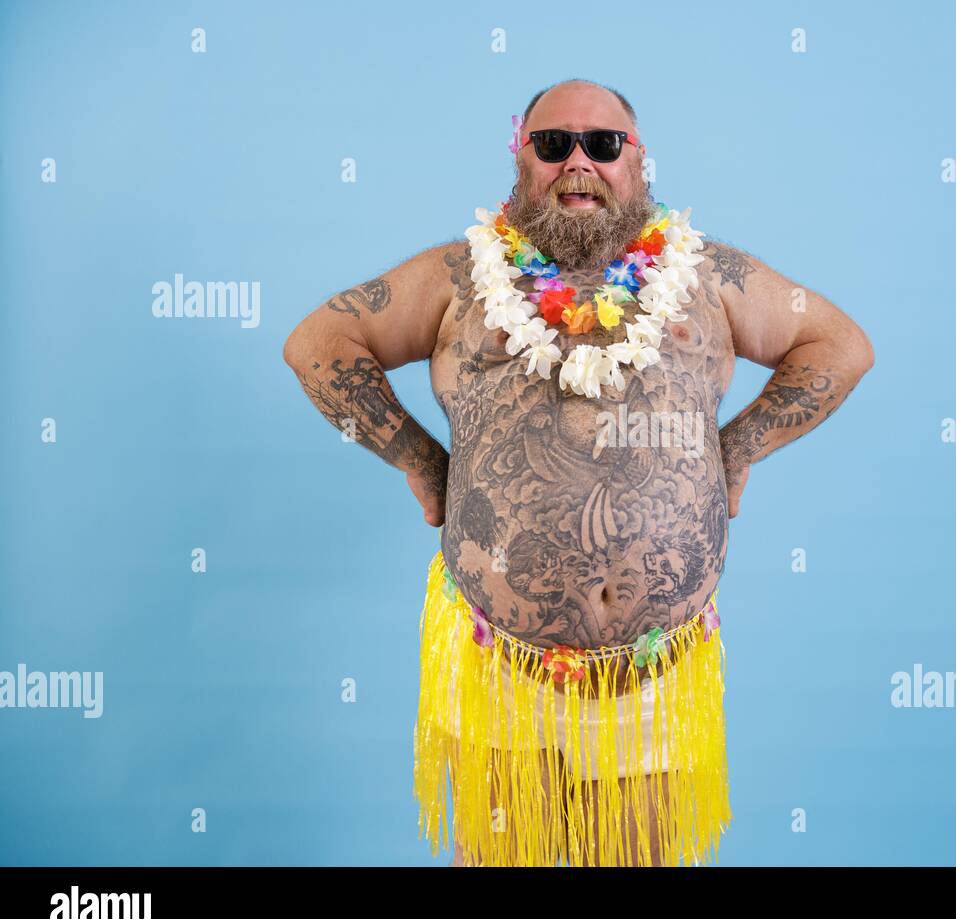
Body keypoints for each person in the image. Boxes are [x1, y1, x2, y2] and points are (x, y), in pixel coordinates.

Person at [282, 77, 875, 866]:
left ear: (639, 162)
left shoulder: (710, 279)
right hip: (500, 664)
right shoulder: (459, 278)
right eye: (552, 143)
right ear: (520, 157)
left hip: (657, 672)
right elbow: (318, 346)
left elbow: (840, 347)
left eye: (603, 144)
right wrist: (419, 463)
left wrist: (737, 452)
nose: (578, 162)